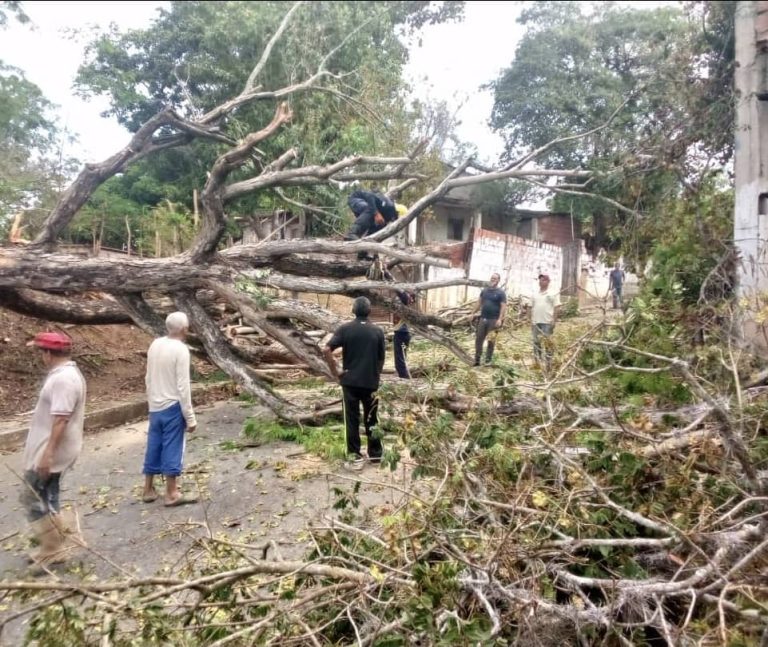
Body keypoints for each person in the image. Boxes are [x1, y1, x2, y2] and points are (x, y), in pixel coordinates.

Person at [20, 331, 87, 566]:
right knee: (48, 496)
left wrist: (47, 454)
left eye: (41, 352)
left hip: (52, 449)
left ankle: (52, 548)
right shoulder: (66, 374)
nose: (41, 357)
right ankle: (57, 543)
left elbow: (61, 419)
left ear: (48, 354)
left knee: (31, 496)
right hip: (53, 447)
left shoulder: (63, 379)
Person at [142, 311, 198, 507]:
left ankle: (148, 488)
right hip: (173, 405)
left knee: (154, 444)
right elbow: (183, 386)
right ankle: (172, 492)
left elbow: (148, 377)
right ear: (184, 329)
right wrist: (190, 416)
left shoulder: (155, 344)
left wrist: (151, 402)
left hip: (155, 405)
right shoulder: (181, 350)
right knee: (173, 446)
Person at [323, 297, 386, 469]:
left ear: (353, 310)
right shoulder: (378, 331)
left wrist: (336, 372)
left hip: (349, 382)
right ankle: (375, 455)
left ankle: (355, 457)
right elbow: (381, 359)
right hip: (371, 383)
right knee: (372, 418)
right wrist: (375, 374)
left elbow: (327, 349)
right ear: (369, 311)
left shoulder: (345, 329)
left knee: (351, 419)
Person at [344, 189, 407, 259]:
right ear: (397, 212)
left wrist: (374, 253)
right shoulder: (387, 205)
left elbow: (375, 233)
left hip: (365, 208)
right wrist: (376, 213)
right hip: (356, 198)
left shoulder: (386, 218)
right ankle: (351, 233)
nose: (394, 220)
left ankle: (362, 254)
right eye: (396, 218)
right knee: (370, 209)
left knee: (379, 225)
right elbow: (370, 196)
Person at [472, 272, 508, 366]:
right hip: (483, 319)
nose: (493, 279)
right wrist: (472, 313)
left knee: (491, 341)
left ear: (498, 280)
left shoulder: (501, 293)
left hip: (494, 320)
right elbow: (479, 303)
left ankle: (488, 360)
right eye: (492, 278)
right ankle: (477, 360)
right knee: (479, 339)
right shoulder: (485, 291)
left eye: (495, 278)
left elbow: (503, 307)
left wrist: (500, 319)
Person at [531, 273, 561, 371]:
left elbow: (557, 307)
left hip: (547, 322)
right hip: (536, 322)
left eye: (543, 280)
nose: (541, 281)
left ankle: (549, 363)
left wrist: (554, 320)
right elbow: (531, 306)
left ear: (548, 281)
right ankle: (537, 362)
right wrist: (531, 319)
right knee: (536, 342)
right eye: (540, 280)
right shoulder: (535, 293)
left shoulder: (552, 293)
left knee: (548, 342)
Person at [393, 289, 416, 379]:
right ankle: (403, 374)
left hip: (401, 332)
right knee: (402, 355)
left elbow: (400, 292)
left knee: (399, 357)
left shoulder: (406, 299)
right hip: (404, 332)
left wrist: (389, 278)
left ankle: (404, 376)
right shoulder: (408, 301)